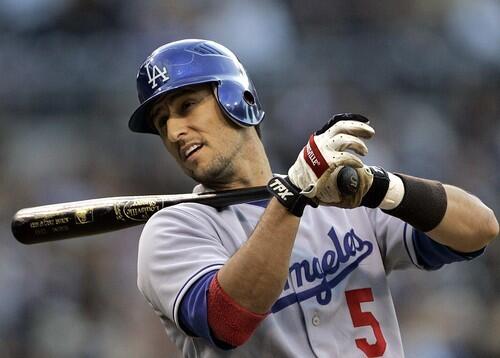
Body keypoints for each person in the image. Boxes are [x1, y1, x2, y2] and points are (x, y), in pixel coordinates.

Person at [129, 39, 498, 357]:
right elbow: (228, 320)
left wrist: (381, 189)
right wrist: (292, 195)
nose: (175, 130)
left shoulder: (335, 192)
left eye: (187, 106)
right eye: (163, 123)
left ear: (235, 97)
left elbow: (479, 229)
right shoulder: (172, 229)